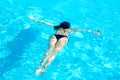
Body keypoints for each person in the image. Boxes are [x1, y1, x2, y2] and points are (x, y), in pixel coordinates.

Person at [29, 16, 101, 75]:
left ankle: (40, 66)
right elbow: (83, 30)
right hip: (63, 38)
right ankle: (45, 67)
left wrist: (34, 19)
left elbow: (45, 23)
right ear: (68, 27)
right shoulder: (70, 30)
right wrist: (94, 32)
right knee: (54, 53)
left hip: (55, 36)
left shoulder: (57, 27)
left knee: (49, 51)